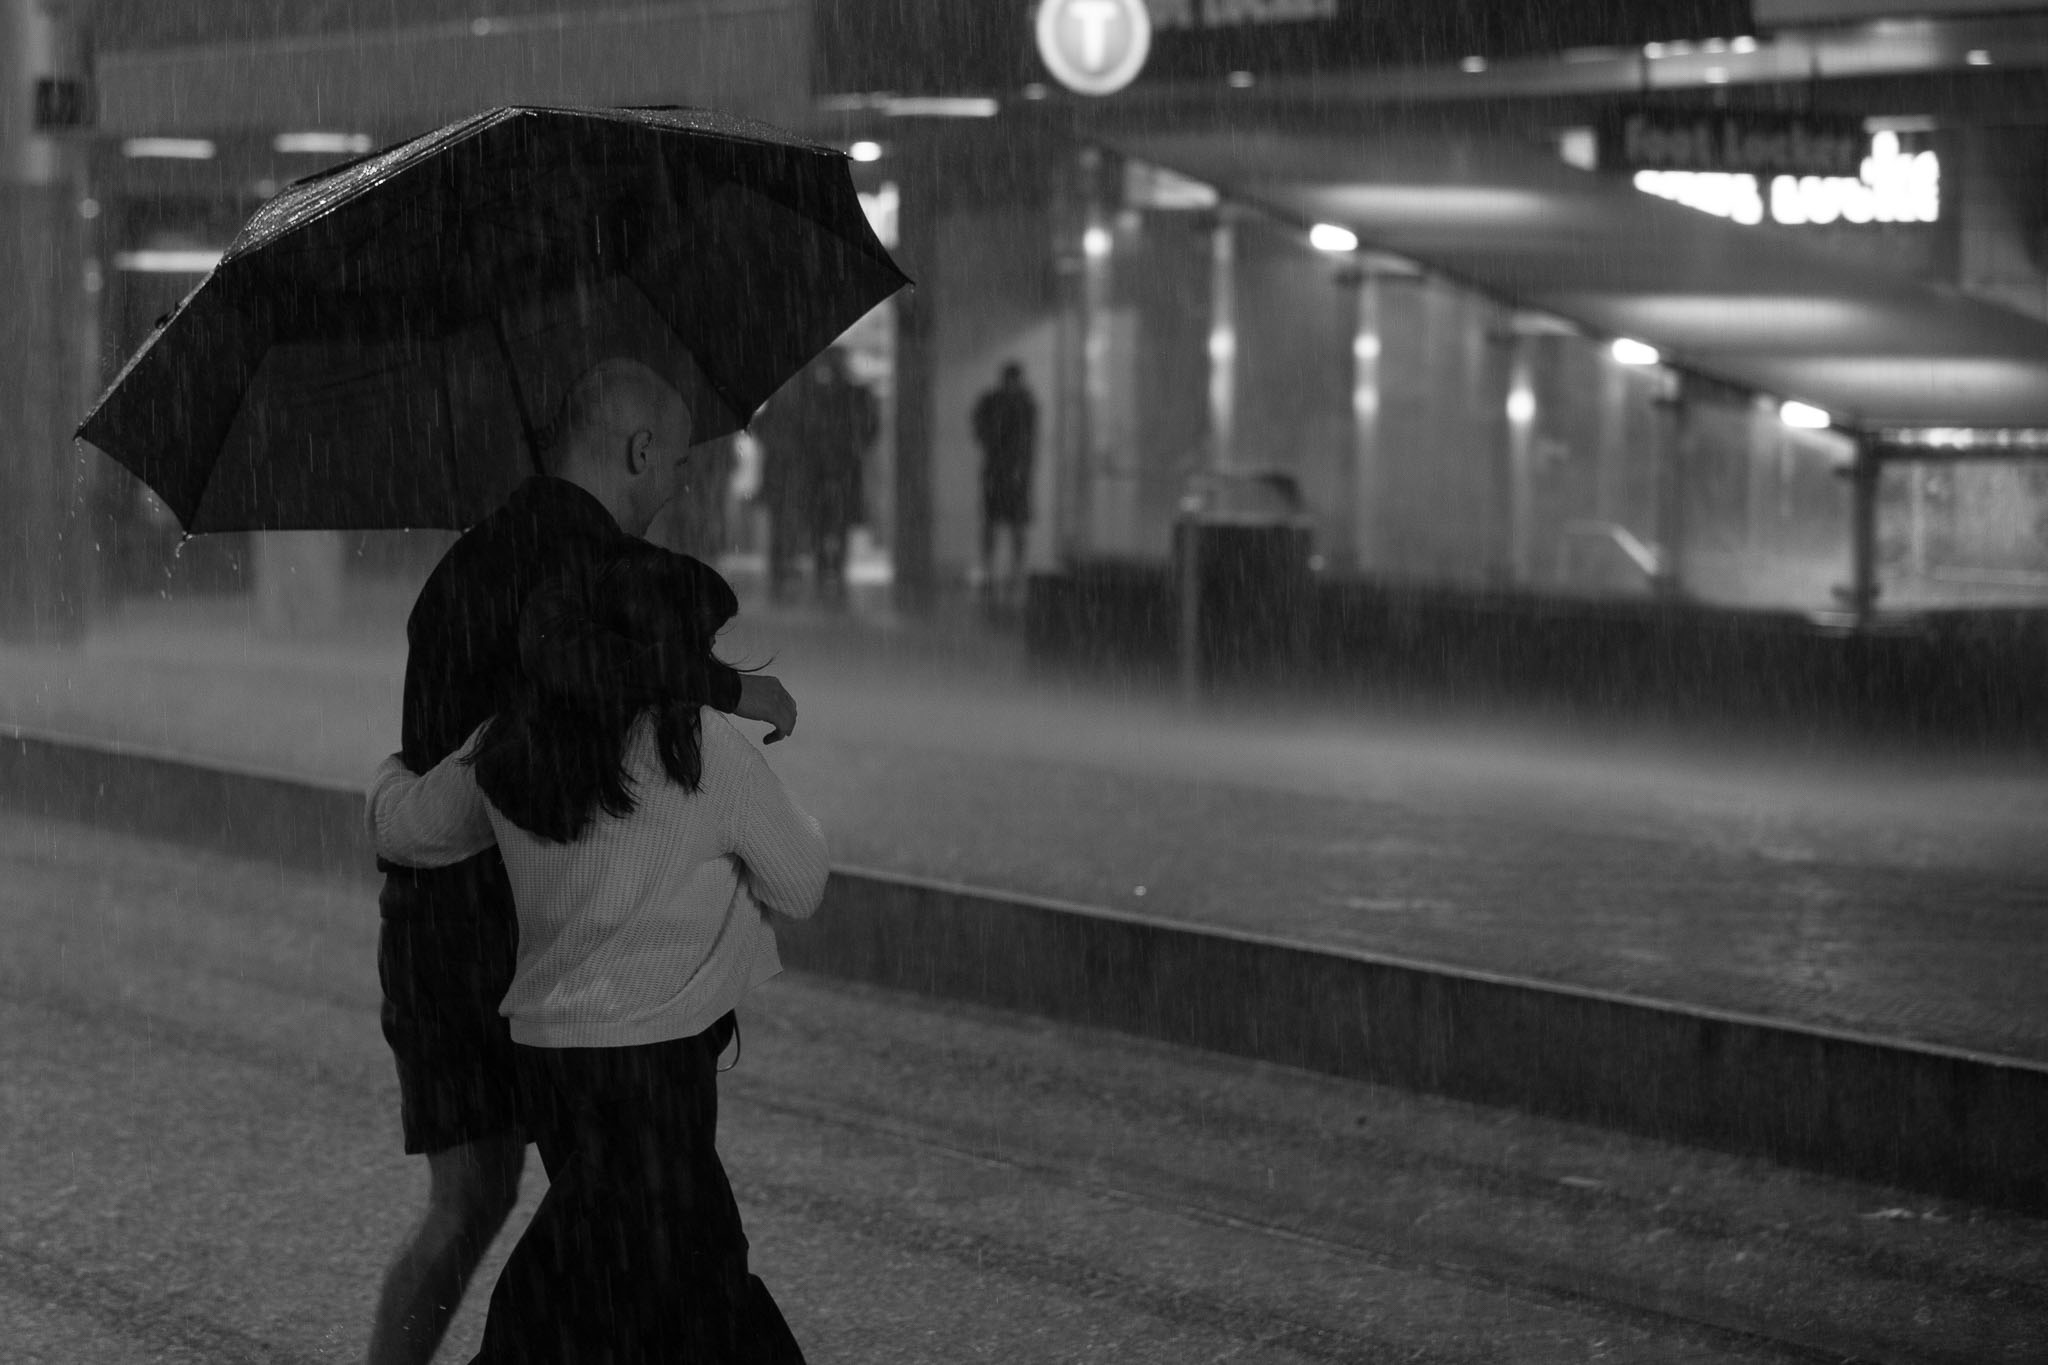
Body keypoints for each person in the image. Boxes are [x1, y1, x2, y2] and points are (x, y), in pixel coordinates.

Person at [365, 358, 800, 1365]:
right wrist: (732, 691)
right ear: (640, 451)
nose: (680, 484)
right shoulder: (593, 581)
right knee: (629, 1219)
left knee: (493, 1206)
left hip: (449, 936)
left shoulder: (468, 567)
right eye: (678, 462)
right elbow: (585, 687)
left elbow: (448, 778)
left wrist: (393, 803)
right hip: (553, 955)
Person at [801, 349, 880, 606]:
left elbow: (869, 427)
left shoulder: (830, 395)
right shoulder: (830, 395)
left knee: (832, 518)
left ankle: (830, 566)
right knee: (830, 518)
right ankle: (829, 566)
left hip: (836, 465)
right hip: (831, 465)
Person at [971, 361, 1038, 606]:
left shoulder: (1024, 404)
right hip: (1000, 472)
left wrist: (1022, 468)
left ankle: (1013, 571)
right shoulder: (996, 402)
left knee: (1015, 526)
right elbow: (982, 432)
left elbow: (1028, 441)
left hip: (1012, 473)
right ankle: (991, 569)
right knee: (993, 524)